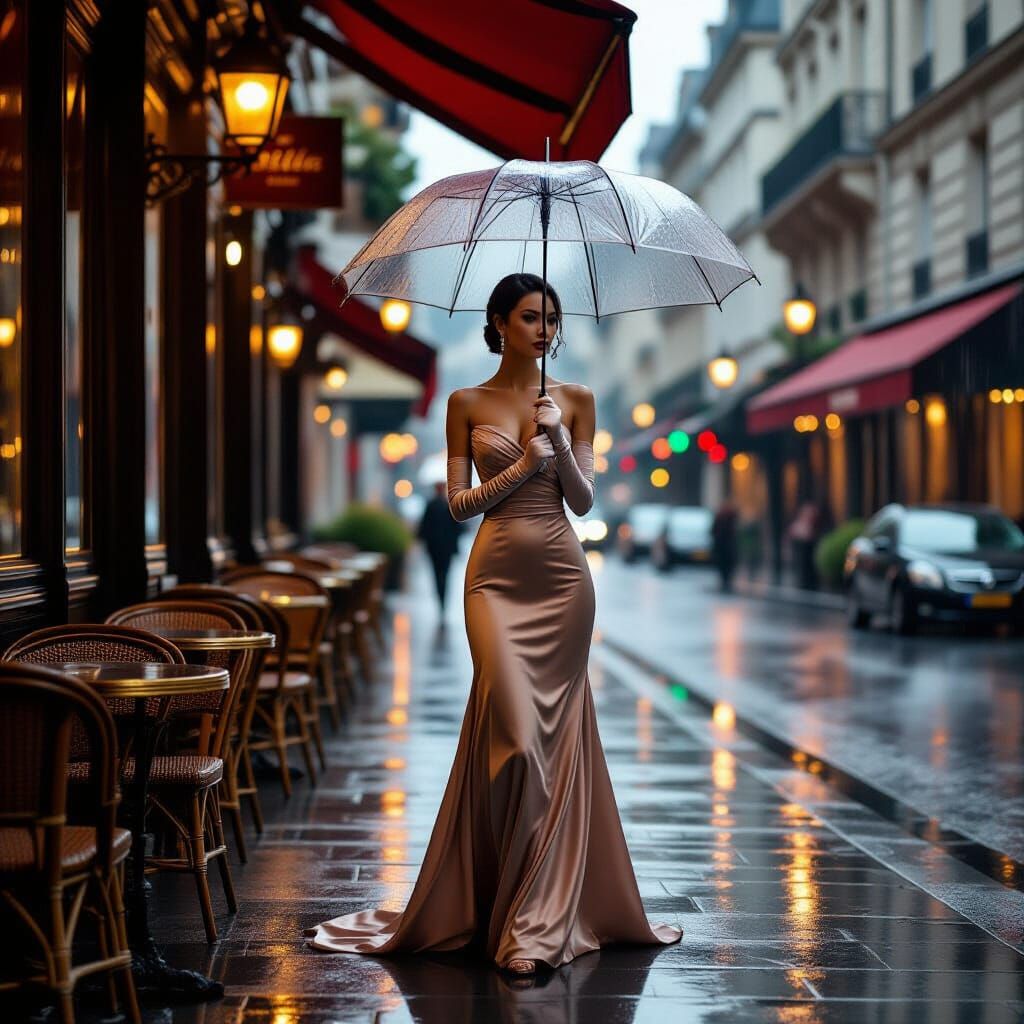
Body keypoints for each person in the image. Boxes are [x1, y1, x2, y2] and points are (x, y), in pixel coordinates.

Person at [307, 273, 682, 974]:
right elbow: (457, 504)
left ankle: (537, 916)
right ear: (500, 324)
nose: (544, 329)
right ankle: (507, 903)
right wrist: (522, 467)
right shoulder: (464, 402)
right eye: (531, 317)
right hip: (493, 582)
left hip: (565, 583)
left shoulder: (575, 401)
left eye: (552, 318)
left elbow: (586, 502)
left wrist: (560, 446)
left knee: (554, 738)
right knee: (514, 735)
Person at [417, 478, 465, 616]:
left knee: (438, 575)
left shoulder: (432, 505)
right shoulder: (447, 505)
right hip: (445, 548)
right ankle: (442, 602)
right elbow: (459, 528)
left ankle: (441, 601)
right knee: (444, 575)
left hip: (436, 548)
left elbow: (423, 528)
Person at [711, 499, 738, 592]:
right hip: (724, 545)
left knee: (725, 563)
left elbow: (713, 531)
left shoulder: (726, 517)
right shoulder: (723, 517)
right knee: (725, 563)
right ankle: (725, 580)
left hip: (724, 545)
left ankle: (726, 580)